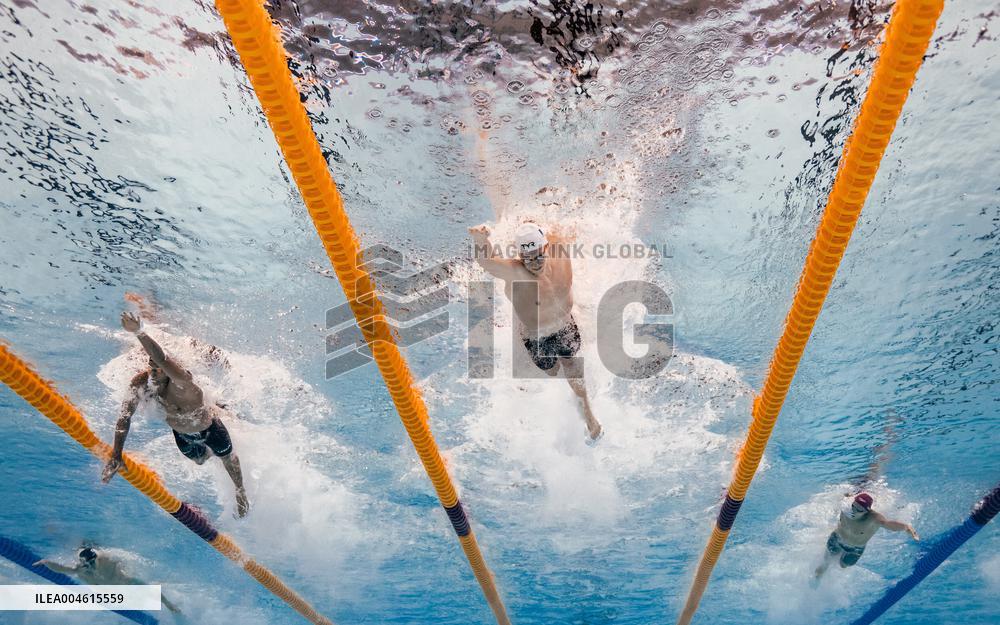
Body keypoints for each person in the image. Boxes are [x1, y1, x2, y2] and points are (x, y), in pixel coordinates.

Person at [102, 311, 250, 517]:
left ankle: (241, 492)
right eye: (151, 368)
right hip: (181, 434)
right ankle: (214, 422)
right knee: (200, 460)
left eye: (158, 369)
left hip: (210, 429)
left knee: (226, 456)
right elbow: (124, 417)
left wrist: (139, 332)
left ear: (167, 370)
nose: (153, 372)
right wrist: (116, 453)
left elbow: (161, 358)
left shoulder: (183, 383)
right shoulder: (141, 383)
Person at [468, 221, 603, 441]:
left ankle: (589, 415)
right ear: (520, 256)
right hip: (537, 336)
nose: (534, 263)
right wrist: (480, 239)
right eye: (527, 258)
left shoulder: (560, 250)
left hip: (565, 324)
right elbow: (487, 262)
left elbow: (573, 228)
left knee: (571, 364)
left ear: (546, 247)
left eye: (539, 256)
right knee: (551, 370)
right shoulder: (516, 272)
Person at [34, 547, 180, 613]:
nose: (90, 566)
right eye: (88, 564)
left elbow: (148, 588)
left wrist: (168, 605)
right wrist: (46, 562)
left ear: (96, 559)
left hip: (117, 580)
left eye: (92, 562)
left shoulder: (107, 560)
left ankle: (169, 604)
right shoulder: (82, 569)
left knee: (140, 587)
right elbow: (62, 569)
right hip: (103, 588)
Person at [814, 492, 919, 579]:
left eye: (859, 509)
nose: (854, 510)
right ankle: (819, 574)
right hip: (837, 539)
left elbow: (889, 524)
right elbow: (841, 497)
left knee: (843, 565)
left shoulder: (874, 518)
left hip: (855, 549)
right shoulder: (846, 507)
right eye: (854, 506)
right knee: (826, 561)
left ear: (867, 511)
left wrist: (907, 528)